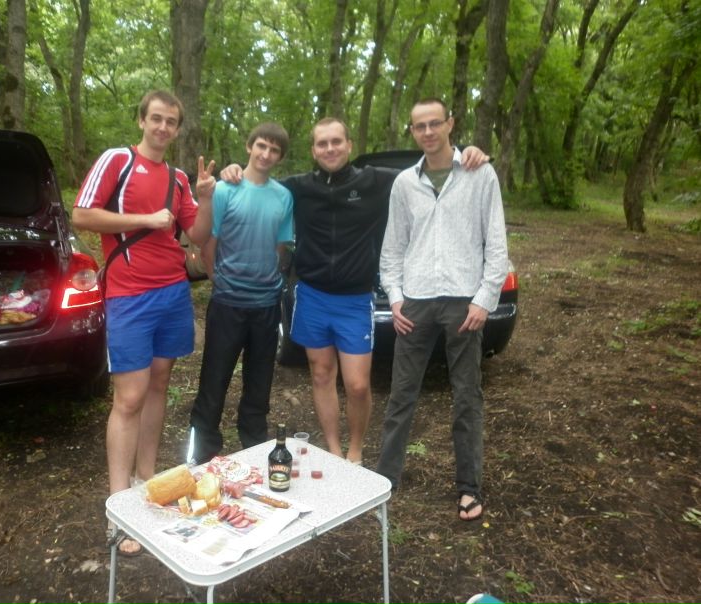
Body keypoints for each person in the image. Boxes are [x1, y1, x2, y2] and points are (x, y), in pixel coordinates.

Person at [221, 118, 488, 465]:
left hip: (355, 299)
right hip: (312, 295)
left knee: (358, 385)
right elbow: (259, 182)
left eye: (336, 142)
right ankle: (334, 452)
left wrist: (465, 154)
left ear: (349, 145)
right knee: (321, 374)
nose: (329, 149)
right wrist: (233, 171)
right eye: (322, 143)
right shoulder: (299, 187)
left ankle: (356, 451)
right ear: (313, 150)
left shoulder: (375, 181)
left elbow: (427, 166)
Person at [72, 89, 216, 555]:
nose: (162, 127)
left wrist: (206, 198)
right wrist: (147, 220)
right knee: (129, 397)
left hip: (172, 292)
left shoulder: (178, 178)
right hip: (129, 295)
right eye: (156, 118)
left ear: (177, 128)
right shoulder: (118, 160)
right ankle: (119, 509)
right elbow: (82, 215)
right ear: (141, 121)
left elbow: (197, 234)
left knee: (158, 384)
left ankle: (147, 479)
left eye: (171, 121)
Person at [375, 98, 509, 521]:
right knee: (401, 394)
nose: (428, 131)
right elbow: (393, 247)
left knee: (467, 396)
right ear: (412, 131)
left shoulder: (479, 173)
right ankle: (385, 481)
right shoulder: (404, 184)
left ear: (450, 124)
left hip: (463, 302)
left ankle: (469, 488)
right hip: (415, 301)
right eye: (420, 126)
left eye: (435, 123)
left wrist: (485, 300)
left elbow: (496, 242)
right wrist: (395, 296)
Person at [186, 123, 294, 464]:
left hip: (266, 305)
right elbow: (209, 243)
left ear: (279, 157)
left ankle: (254, 451)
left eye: (274, 150)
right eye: (261, 145)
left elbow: (280, 245)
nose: (266, 154)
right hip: (228, 303)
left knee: (259, 386)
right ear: (249, 146)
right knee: (213, 382)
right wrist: (218, 279)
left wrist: (269, 277)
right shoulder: (224, 189)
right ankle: (203, 457)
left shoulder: (283, 196)